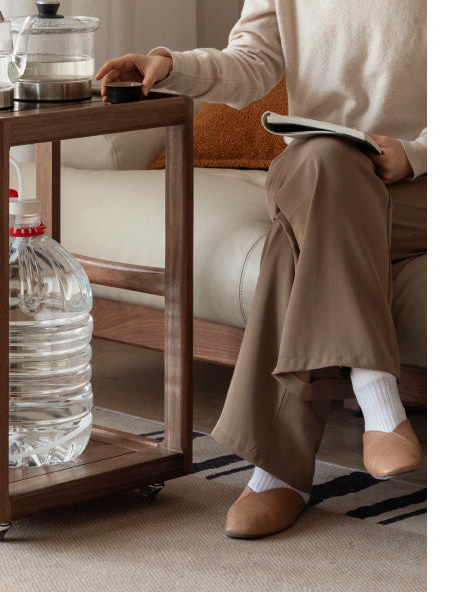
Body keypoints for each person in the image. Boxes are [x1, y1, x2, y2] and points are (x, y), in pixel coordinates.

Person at [96, 0, 426, 539]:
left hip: (427, 180)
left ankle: (280, 469)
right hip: (318, 168)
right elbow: (251, 62)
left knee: (296, 242)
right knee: (326, 166)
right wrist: (171, 66)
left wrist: (418, 153)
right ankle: (377, 399)